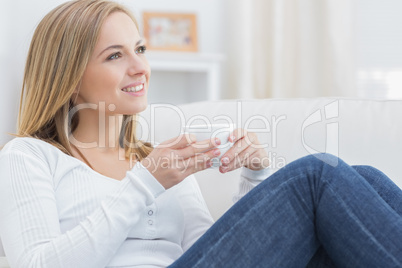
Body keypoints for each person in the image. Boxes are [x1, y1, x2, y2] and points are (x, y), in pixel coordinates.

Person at [0, 1, 401, 267]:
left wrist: (255, 177)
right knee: (319, 173)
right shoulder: (29, 156)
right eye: (115, 55)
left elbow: (210, 252)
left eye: (139, 49)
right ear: (69, 78)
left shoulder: (158, 161)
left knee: (362, 179)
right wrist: (144, 184)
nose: (140, 67)